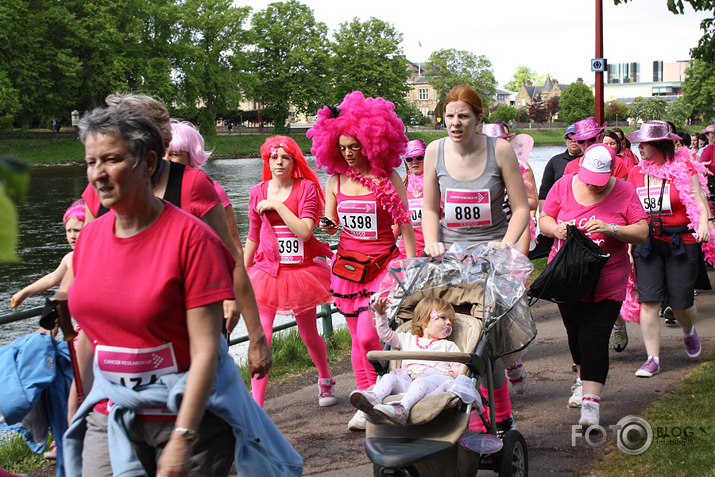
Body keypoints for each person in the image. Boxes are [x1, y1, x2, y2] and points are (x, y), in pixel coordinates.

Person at [63, 106, 301, 477]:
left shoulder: (192, 237)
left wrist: (182, 436)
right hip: (112, 411)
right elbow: (90, 333)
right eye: (91, 162)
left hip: (186, 414)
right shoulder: (90, 238)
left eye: (111, 160)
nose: (98, 175)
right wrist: (77, 402)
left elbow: (206, 348)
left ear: (148, 163)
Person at [80, 95, 270, 373]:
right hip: (120, 341)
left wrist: (256, 336)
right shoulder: (100, 190)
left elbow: (232, 257)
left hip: (189, 337)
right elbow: (84, 263)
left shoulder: (192, 184)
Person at [422, 84, 529, 432]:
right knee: (451, 338)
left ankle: (501, 414)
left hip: (490, 262)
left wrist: (507, 244)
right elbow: (428, 208)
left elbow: (521, 208)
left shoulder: (500, 151)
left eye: (463, 116)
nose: (455, 123)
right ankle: (457, 412)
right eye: (449, 116)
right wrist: (431, 241)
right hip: (450, 261)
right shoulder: (434, 151)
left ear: (479, 118)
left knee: (487, 343)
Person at [308, 91, 416, 431]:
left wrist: (413, 264)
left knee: (370, 337)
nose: (349, 154)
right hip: (348, 268)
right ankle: (368, 398)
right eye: (342, 148)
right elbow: (332, 222)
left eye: (355, 146)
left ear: (372, 143)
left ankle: (385, 388)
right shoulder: (336, 179)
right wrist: (324, 225)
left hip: (383, 265)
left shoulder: (388, 179)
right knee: (357, 340)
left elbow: (406, 225)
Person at [539, 144, 648, 426]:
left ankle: (591, 403)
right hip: (568, 276)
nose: (593, 186)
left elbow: (641, 232)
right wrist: (557, 229)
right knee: (575, 334)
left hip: (607, 278)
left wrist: (611, 228)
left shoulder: (625, 191)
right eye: (588, 179)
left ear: (612, 172)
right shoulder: (563, 185)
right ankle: (580, 379)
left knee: (594, 338)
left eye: (599, 182)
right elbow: (544, 220)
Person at [244, 136, 335, 408]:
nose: (279, 162)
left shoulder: (305, 188)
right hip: (266, 273)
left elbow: (305, 232)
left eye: (285, 157)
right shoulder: (257, 191)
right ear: (267, 161)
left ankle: (325, 378)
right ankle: (257, 404)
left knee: (308, 334)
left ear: (294, 161)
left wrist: (278, 206)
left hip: (301, 273)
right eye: (274, 158)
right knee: (263, 337)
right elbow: (252, 236)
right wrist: (240, 273)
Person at [625, 121, 713, 378]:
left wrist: (703, 223)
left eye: (645, 144)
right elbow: (631, 212)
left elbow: (698, 200)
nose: (639, 148)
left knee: (680, 305)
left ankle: (688, 330)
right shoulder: (635, 173)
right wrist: (630, 245)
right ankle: (652, 358)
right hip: (648, 243)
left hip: (681, 241)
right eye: (638, 143)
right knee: (649, 301)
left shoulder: (684, 168)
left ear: (660, 144)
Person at [348, 297, 478, 426]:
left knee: (421, 382)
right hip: (408, 380)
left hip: (434, 383)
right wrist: (381, 316)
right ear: (424, 321)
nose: (449, 322)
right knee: (389, 377)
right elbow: (386, 335)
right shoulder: (407, 339)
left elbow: (459, 364)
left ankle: (402, 409)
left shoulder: (448, 346)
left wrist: (451, 374)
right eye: (443, 318)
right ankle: (374, 397)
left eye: (451, 320)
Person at [165, 121, 243, 253]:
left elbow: (234, 247)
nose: (165, 160)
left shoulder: (214, 191)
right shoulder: (151, 192)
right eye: (163, 152)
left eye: (174, 154)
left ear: (192, 156)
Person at [11, 200, 85, 309]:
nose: (72, 236)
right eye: (68, 231)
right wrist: (24, 293)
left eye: (77, 230)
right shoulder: (69, 258)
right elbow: (52, 279)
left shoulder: (98, 255)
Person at [530, 124, 581, 259]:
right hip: (558, 211)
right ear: (565, 139)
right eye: (570, 138)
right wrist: (545, 217)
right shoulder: (555, 161)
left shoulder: (586, 161)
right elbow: (544, 191)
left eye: (577, 138)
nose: (574, 141)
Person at [563, 118, 629, 179]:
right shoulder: (570, 167)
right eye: (581, 141)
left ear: (601, 138)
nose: (587, 144)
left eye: (591, 139)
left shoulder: (617, 163)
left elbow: (622, 190)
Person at [399, 139, 427, 257]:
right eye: (410, 159)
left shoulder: (436, 183)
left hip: (430, 250)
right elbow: (398, 223)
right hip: (406, 250)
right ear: (406, 162)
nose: (414, 162)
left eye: (419, 158)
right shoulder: (402, 185)